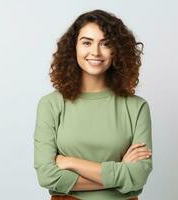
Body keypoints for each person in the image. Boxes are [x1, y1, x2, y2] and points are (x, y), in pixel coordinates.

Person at [33, 9, 153, 200]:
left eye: (105, 44)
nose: (95, 52)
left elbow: (138, 177)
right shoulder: (51, 104)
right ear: (74, 47)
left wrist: (71, 162)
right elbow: (47, 176)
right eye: (87, 42)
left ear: (117, 51)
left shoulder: (136, 107)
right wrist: (121, 175)